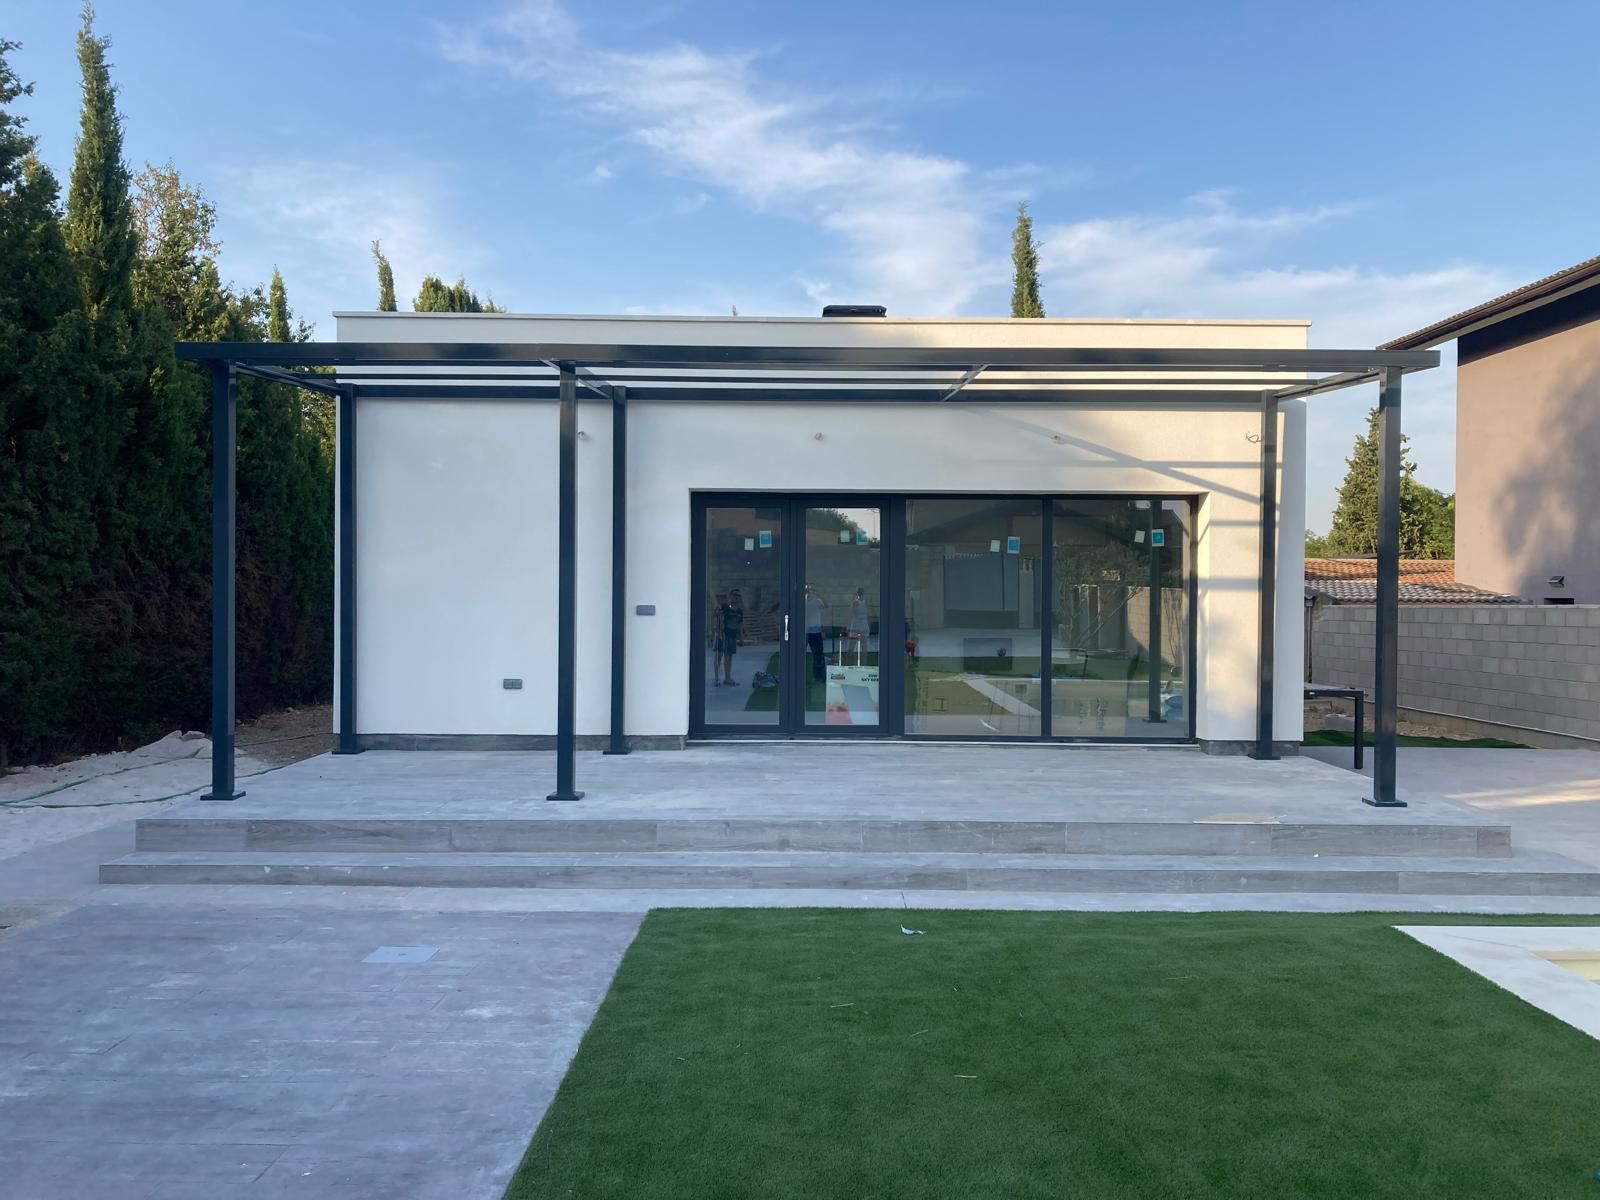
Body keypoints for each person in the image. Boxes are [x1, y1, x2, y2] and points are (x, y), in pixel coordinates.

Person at [714, 588, 744, 686]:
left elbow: (740, 625)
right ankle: (717, 678)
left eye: (738, 596)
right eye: (734, 595)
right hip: (722, 636)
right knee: (719, 656)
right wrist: (717, 632)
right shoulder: (724, 607)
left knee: (729, 657)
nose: (736, 597)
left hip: (731, 636)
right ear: (731, 596)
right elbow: (717, 618)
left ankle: (727, 678)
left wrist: (741, 638)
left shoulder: (739, 611)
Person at [804, 583, 826, 683]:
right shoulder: (803, 602)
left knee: (818, 656)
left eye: (812, 591)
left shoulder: (818, 601)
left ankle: (818, 677)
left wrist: (820, 595)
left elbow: (826, 606)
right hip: (804, 632)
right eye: (809, 591)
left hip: (815, 632)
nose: (810, 592)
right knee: (798, 655)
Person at [847, 587, 871, 664]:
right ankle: (864, 665)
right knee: (864, 648)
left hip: (856, 626)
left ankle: (850, 664)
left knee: (851, 648)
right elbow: (868, 615)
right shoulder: (866, 602)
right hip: (863, 626)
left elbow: (850, 614)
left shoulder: (855, 602)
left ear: (857, 593)